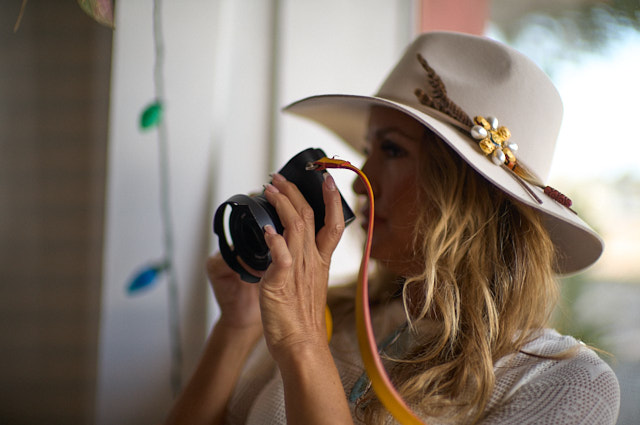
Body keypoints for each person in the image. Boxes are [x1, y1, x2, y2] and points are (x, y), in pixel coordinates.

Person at [164, 32, 620, 425]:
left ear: (468, 194)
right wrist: (238, 323)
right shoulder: (329, 314)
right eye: (367, 148)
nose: (361, 176)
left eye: (392, 150)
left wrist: (302, 344)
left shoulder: (564, 381)